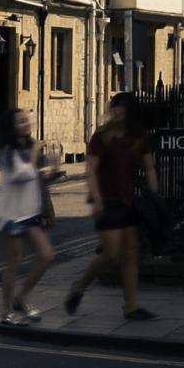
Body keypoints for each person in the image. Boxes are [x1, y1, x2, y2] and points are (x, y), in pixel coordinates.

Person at [66, 92, 158, 321]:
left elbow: (149, 168)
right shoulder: (102, 137)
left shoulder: (138, 138)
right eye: (115, 106)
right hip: (108, 202)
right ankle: (79, 287)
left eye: (122, 108)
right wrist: (96, 198)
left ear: (131, 112)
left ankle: (131, 306)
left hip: (130, 202)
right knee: (111, 253)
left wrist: (155, 196)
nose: (116, 111)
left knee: (130, 255)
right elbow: (91, 170)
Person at [0, 108, 56, 323]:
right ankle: (6, 310)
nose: (26, 124)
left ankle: (21, 298)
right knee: (14, 262)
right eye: (20, 121)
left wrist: (52, 174)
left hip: (30, 214)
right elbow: (21, 174)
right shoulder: (8, 151)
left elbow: (34, 179)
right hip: (11, 216)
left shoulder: (29, 148)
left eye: (26, 120)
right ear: (12, 127)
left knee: (47, 256)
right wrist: (34, 153)